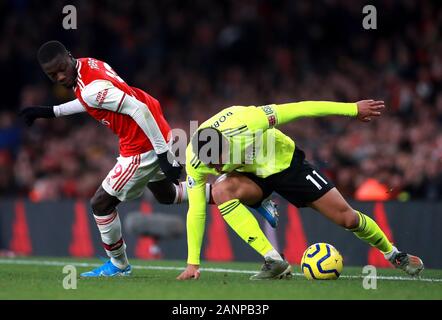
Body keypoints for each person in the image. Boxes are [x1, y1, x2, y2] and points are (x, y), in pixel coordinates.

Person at [19, 40, 279, 277]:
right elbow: (93, 101)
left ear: (69, 57)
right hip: (152, 129)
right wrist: (49, 112)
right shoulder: (88, 65)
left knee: (100, 204)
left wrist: (164, 153)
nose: (60, 76)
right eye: (52, 75)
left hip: (140, 146)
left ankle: (119, 265)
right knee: (166, 194)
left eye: (61, 69)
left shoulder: (90, 88)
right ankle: (245, 193)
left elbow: (136, 109)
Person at [177, 100, 424, 280]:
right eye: (212, 165)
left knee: (347, 218)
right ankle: (273, 260)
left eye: (220, 160)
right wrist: (192, 263)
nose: (217, 167)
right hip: (249, 176)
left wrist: (352, 109)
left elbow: (301, 108)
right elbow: (196, 210)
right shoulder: (195, 160)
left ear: (227, 141)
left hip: (284, 164)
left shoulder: (247, 121)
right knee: (220, 191)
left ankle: (394, 254)